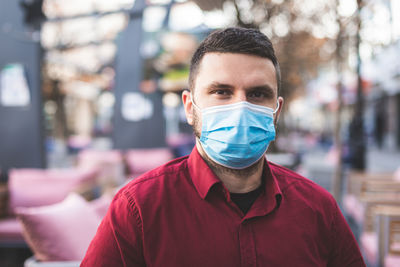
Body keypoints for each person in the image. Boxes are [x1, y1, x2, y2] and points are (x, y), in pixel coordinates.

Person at [81, 27, 365, 267]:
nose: (240, 107)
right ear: (190, 108)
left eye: (257, 94)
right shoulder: (139, 208)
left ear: (276, 112)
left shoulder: (317, 209)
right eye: (221, 92)